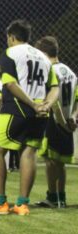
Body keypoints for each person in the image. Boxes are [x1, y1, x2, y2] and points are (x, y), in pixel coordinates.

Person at [0, 19, 60, 216]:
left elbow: (10, 84)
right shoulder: (42, 56)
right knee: (28, 152)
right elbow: (55, 87)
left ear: (11, 37)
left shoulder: (11, 53)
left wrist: (31, 104)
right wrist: (46, 104)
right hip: (40, 114)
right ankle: (22, 204)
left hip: (17, 110)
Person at [34, 36, 77, 208]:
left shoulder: (50, 71)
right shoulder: (70, 72)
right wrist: (73, 117)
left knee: (50, 160)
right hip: (68, 121)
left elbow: (54, 102)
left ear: (44, 53)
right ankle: (62, 198)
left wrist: (62, 123)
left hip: (55, 122)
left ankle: (52, 197)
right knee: (60, 162)